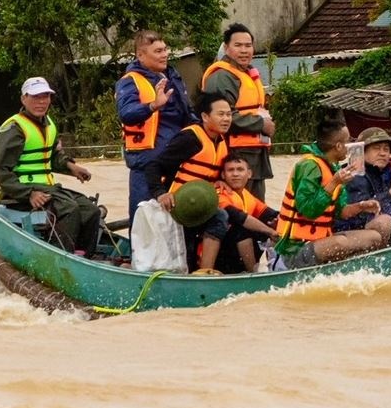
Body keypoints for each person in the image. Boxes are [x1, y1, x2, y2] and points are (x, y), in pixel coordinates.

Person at [0, 77, 102, 255]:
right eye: (36, 97)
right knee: (69, 209)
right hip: (22, 191)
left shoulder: (48, 124)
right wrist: (28, 193)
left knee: (91, 210)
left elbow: (51, 157)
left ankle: (83, 255)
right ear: (23, 99)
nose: (41, 102)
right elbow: (1, 171)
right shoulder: (14, 128)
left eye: (45, 97)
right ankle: (59, 255)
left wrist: (71, 167)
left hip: (49, 188)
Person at [273, 115, 390, 269]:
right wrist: (334, 183)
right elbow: (307, 210)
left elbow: (341, 212)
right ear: (339, 146)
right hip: (295, 249)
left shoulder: (333, 168)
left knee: (374, 237)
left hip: (321, 240)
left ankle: (364, 269)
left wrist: (361, 206)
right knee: (340, 243)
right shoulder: (309, 166)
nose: (350, 145)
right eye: (348, 141)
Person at [144, 94, 233, 275]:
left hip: (198, 208)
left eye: (229, 114)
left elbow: (209, 170)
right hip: (175, 206)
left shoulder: (222, 140)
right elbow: (153, 166)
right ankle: (204, 272)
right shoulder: (190, 138)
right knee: (219, 217)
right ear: (205, 116)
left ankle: (204, 271)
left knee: (223, 220)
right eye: (221, 114)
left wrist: (220, 180)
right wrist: (160, 193)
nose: (226, 119)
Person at [115, 30, 192, 218]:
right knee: (144, 218)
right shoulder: (129, 81)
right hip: (147, 161)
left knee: (176, 219)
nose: (164, 54)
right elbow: (126, 113)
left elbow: (187, 113)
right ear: (140, 55)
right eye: (158, 51)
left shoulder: (172, 77)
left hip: (175, 158)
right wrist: (153, 105)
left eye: (165, 49)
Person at [201, 22, 275, 199]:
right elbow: (221, 118)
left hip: (254, 155)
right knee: (235, 204)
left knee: (255, 206)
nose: (244, 50)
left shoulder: (247, 73)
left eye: (248, 46)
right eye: (238, 45)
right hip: (233, 155)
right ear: (226, 48)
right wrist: (261, 124)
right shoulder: (222, 76)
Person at [334, 127, 391, 245]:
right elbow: (361, 215)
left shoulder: (390, 173)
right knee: (384, 222)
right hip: (351, 234)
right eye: (376, 148)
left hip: (386, 233)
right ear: (363, 152)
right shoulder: (352, 175)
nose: (383, 153)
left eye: (386, 149)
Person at [215, 153, 280, 274]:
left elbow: (270, 213)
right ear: (223, 175)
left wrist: (279, 221)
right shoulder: (219, 194)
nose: (235, 174)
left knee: (277, 224)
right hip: (222, 254)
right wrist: (270, 231)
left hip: (238, 250)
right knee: (242, 229)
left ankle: (279, 266)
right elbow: (239, 217)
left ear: (249, 174)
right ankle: (253, 274)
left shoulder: (247, 195)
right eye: (230, 170)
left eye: (240, 169)